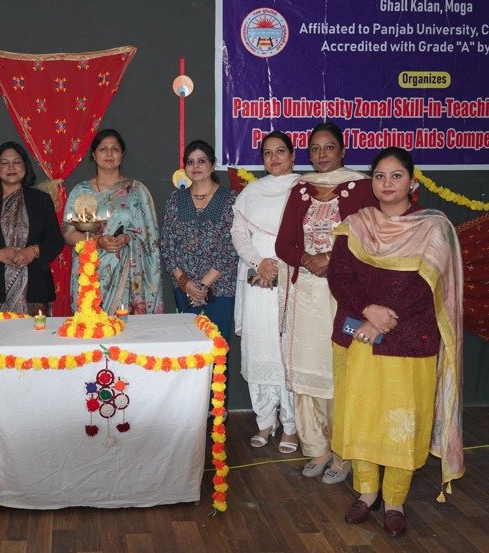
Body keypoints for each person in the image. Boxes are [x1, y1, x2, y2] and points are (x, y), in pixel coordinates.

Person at [327, 147, 463, 537]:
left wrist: (385, 319)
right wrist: (368, 311)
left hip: (410, 338)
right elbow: (339, 276)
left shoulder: (432, 228)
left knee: (403, 420)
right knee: (360, 416)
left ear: (412, 183)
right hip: (357, 334)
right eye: (380, 176)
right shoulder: (356, 224)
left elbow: (428, 286)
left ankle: (395, 500)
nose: (387, 183)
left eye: (396, 175)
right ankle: (366, 492)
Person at [274, 122, 376, 484]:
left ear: (343, 150)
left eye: (329, 147)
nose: (321, 155)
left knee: (340, 371)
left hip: (345, 295)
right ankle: (317, 448)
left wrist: (333, 259)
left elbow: (372, 238)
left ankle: (344, 450)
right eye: (315, 149)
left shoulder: (362, 187)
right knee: (308, 369)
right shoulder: (301, 188)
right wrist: (307, 259)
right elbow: (283, 244)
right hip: (307, 295)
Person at [230, 131, 299, 453]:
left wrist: (282, 266)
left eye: (280, 151)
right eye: (268, 153)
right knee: (260, 349)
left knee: (287, 352)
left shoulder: (305, 191)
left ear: (293, 155)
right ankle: (264, 421)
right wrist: (260, 262)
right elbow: (239, 234)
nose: (274, 158)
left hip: (293, 278)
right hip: (258, 279)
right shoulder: (251, 193)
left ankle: (291, 425)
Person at [62, 129, 163, 314]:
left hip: (128, 273)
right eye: (103, 149)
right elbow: (68, 234)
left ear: (122, 155)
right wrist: (98, 241)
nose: (109, 154)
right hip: (90, 270)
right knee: (91, 325)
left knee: (125, 327)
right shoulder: (81, 191)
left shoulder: (136, 191)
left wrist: (128, 238)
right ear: (94, 155)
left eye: (115, 149)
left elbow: (150, 239)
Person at [0, 141, 64, 315]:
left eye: (17, 162)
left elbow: (55, 242)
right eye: (5, 163)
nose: (11, 167)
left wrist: (32, 251)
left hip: (34, 289)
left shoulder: (41, 200)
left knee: (35, 333)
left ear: (25, 167)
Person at [161, 140, 238, 341]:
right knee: (188, 348)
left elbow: (231, 248)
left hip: (219, 289)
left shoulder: (230, 199)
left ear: (213, 165)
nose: (195, 166)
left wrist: (203, 285)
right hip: (184, 289)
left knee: (216, 348)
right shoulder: (176, 199)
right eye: (190, 162)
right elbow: (167, 245)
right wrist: (185, 283)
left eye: (201, 161)